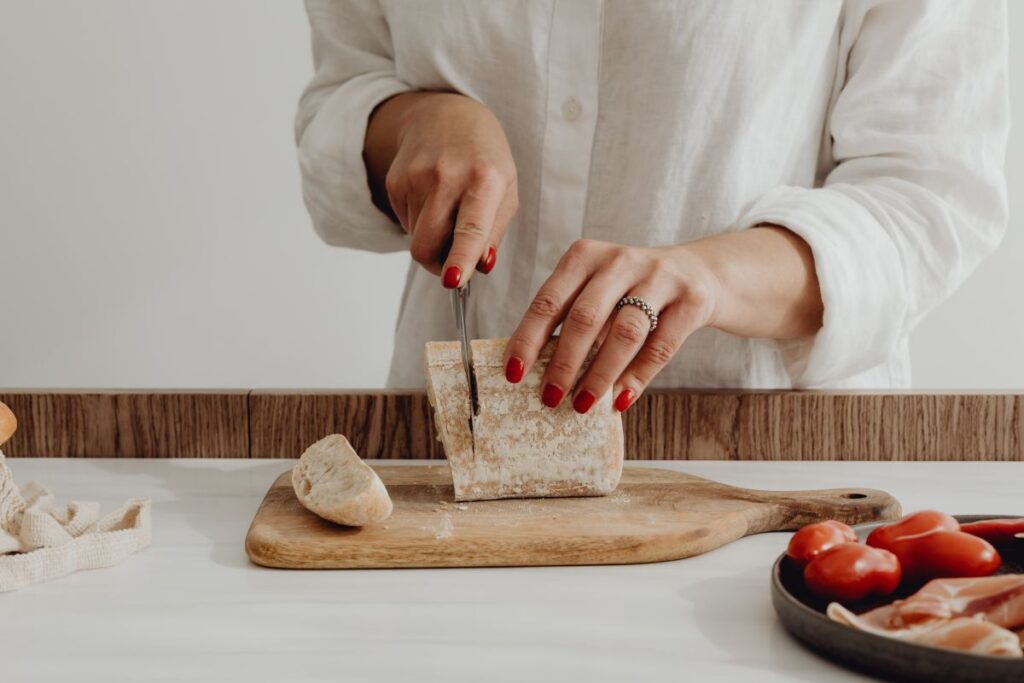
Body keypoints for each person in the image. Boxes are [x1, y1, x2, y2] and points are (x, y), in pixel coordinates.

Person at [295, 1, 1008, 412]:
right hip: (444, 450)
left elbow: (931, 194)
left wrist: (712, 277)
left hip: (766, 460)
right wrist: (415, 120)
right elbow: (348, 81)